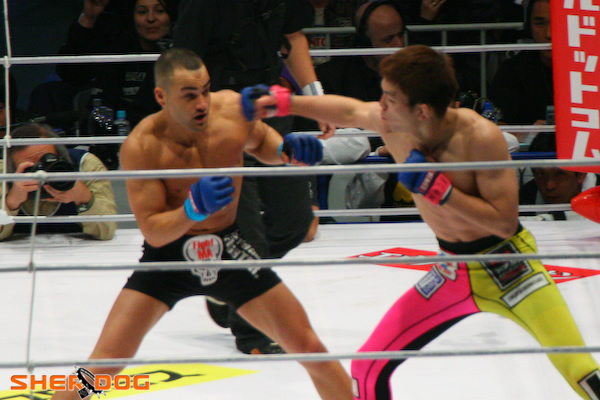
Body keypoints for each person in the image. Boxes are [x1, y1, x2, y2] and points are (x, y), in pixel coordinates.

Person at [250, 44, 600, 400]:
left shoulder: (480, 138)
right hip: (452, 270)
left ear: (421, 111)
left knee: (582, 371)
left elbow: (504, 223)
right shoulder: (393, 124)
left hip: (510, 267)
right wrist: (285, 103)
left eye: (390, 99)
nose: (380, 106)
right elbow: (349, 109)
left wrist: (440, 189)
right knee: (367, 367)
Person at [48, 47, 352, 400]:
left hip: (230, 249)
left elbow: (263, 145)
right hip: (168, 259)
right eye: (190, 95)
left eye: (205, 90)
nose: (202, 103)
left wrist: (288, 152)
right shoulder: (142, 146)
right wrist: (191, 210)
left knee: (309, 348)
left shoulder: (232, 110)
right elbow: (153, 230)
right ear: (161, 96)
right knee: (101, 368)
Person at [173, 0, 331, 354]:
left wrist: (315, 97)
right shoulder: (202, 7)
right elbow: (182, 64)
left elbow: (293, 36)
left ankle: (228, 284)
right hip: (219, 116)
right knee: (247, 231)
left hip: (269, 106)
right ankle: (253, 332)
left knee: (296, 221)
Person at [56, 0, 177, 169]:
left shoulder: (181, 58)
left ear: (171, 17)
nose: (151, 18)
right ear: (132, 17)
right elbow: (71, 74)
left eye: (159, 11)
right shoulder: (118, 52)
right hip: (119, 146)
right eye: (142, 12)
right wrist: (89, 18)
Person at [0, 123, 117, 240]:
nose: (41, 174)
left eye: (46, 163)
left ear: (61, 156)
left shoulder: (85, 166)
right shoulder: (2, 173)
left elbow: (107, 231)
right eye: (31, 169)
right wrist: (11, 202)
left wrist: (84, 197)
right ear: (12, 169)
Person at [488, 0, 553, 128]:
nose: (549, 34)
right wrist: (528, 134)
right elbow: (497, 127)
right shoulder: (512, 70)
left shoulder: (591, 67)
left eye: (558, 23)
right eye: (540, 24)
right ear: (529, 27)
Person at [519, 133, 599, 220]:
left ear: (581, 174)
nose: (550, 186)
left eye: (560, 174)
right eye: (541, 174)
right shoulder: (527, 195)